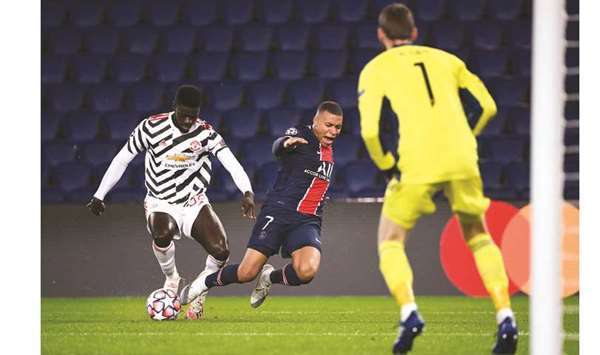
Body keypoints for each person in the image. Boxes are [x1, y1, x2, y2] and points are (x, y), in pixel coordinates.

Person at [357, 4, 517, 354]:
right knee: (478, 235)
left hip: (416, 160)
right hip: (462, 156)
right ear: (414, 32)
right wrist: (469, 137)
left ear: (381, 35)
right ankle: (506, 317)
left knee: (391, 240)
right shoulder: (448, 59)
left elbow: (370, 131)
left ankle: (409, 312)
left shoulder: (375, 68)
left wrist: (386, 164)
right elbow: (488, 105)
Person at [87, 85, 256, 320]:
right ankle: (172, 277)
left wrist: (247, 191)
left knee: (221, 251)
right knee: (161, 233)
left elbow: (231, 162)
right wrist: (100, 194)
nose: (188, 120)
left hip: (193, 201)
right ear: (174, 107)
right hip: (160, 200)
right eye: (184, 113)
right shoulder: (151, 127)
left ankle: (199, 292)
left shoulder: (206, 133)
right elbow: (123, 158)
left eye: (193, 115)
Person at [179, 101, 343, 308]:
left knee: (306, 271)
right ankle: (204, 282)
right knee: (246, 273)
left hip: (307, 220)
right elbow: (278, 145)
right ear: (316, 121)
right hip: (278, 211)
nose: (333, 131)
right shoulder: (301, 134)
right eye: (329, 125)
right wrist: (284, 144)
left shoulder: (328, 150)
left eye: (338, 127)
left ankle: (269, 278)